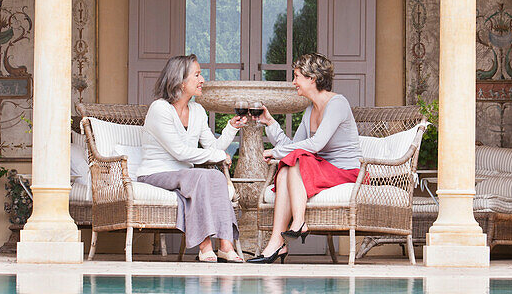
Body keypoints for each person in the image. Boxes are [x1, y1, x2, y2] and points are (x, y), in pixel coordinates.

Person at [248, 53, 361, 264]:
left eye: (297, 76)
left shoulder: (337, 104)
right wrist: (270, 123)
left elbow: (315, 145)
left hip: (346, 172)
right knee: (286, 166)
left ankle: (299, 222)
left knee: (296, 158)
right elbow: (291, 147)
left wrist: (275, 153)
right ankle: (277, 243)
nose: (293, 82)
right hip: (321, 169)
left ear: (313, 78)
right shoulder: (310, 110)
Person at [138, 55, 246, 262]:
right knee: (200, 177)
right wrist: (217, 155)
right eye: (197, 75)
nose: (202, 79)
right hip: (155, 173)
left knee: (215, 177)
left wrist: (231, 128)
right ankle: (205, 247)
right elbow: (179, 152)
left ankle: (225, 244)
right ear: (179, 81)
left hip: (185, 175)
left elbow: (212, 148)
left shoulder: (197, 110)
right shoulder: (159, 109)